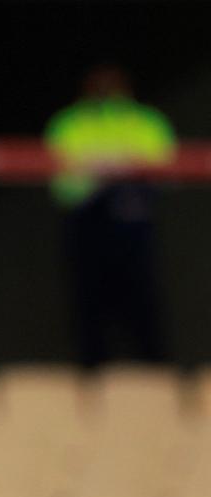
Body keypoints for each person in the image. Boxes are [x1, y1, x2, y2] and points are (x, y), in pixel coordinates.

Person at [45, 65, 174, 367]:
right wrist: (102, 177)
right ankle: (91, 383)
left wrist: (122, 171)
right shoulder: (68, 122)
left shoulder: (147, 121)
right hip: (87, 224)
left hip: (133, 224)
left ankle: (156, 377)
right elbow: (61, 187)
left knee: (143, 310)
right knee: (89, 312)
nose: (105, 84)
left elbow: (167, 175)